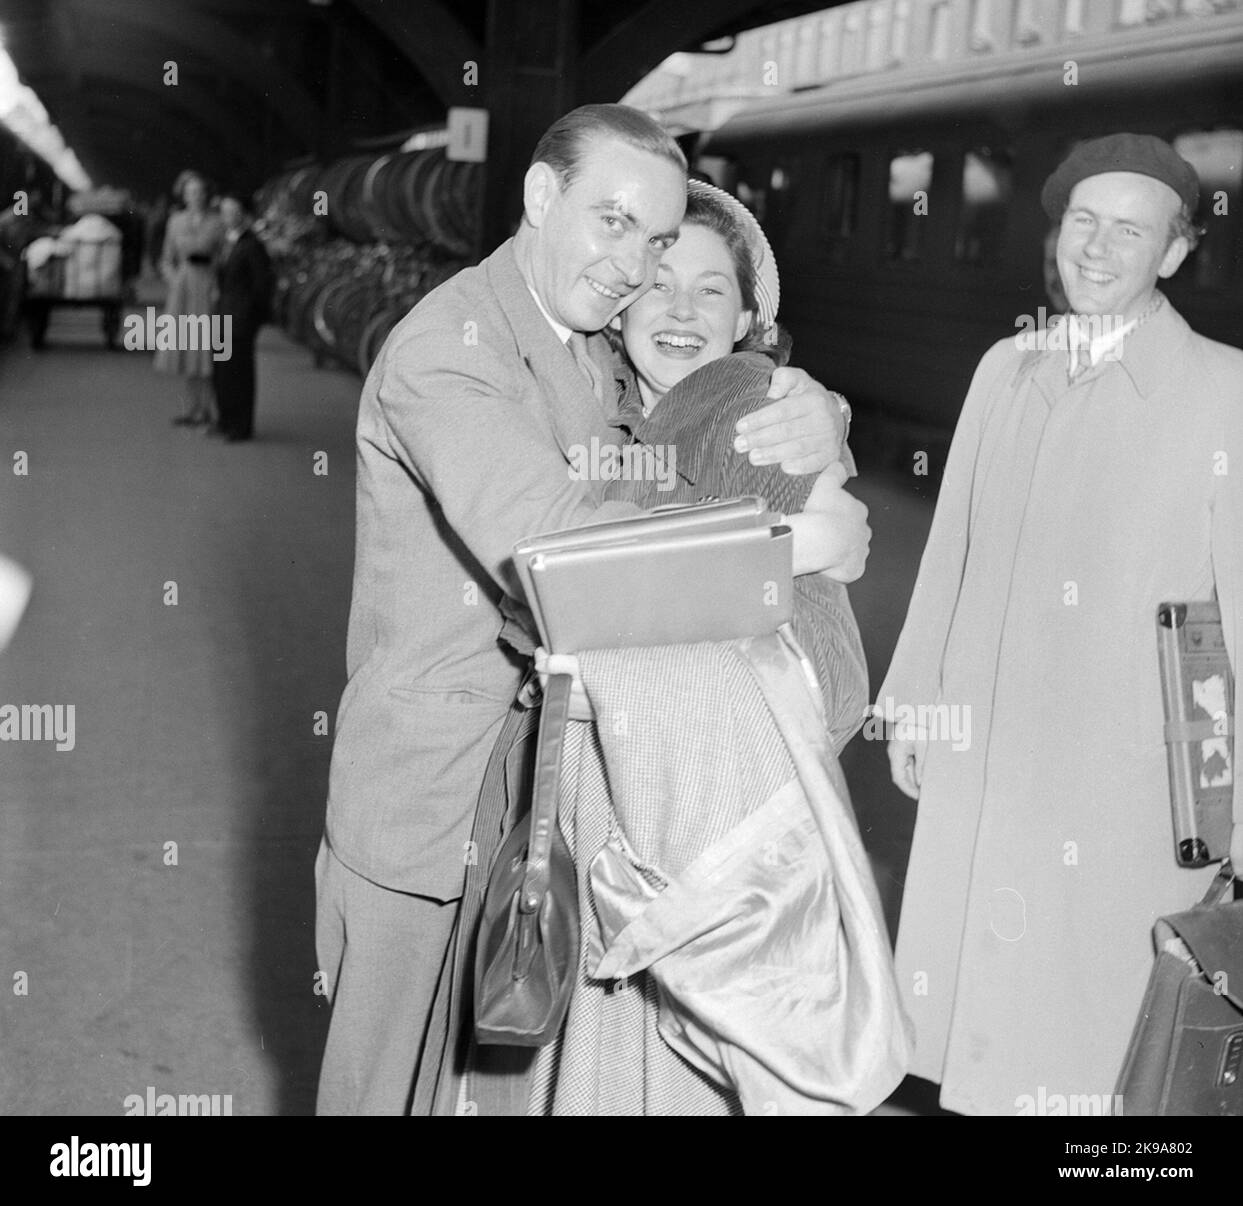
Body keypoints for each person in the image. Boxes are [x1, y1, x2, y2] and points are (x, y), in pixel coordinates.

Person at [315, 103, 860, 1116]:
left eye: (655, 240)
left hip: (542, 805)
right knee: (379, 1091)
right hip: (431, 807)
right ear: (537, 195)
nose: (635, 267)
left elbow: (703, 395)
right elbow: (559, 538)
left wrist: (816, 410)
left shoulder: (586, 346)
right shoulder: (451, 349)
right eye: (611, 221)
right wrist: (789, 542)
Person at [439, 179, 904, 1116]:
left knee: (676, 1051)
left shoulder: (742, 400)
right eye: (658, 285)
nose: (682, 311)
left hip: (698, 807)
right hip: (631, 791)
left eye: (711, 291)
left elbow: (828, 619)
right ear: (618, 307)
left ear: (748, 320)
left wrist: (814, 479)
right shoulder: (620, 410)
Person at [879, 133, 1243, 1115]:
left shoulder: (1224, 391)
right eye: (1083, 220)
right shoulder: (1008, 367)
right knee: (984, 1028)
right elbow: (949, 547)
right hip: (993, 747)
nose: (1098, 246)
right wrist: (914, 700)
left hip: (1131, 782)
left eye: (1131, 228)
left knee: (1103, 1047)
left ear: (1172, 253)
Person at [155, 172, 225, 426]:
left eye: (200, 192)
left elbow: (223, 256)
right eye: (191, 192)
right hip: (183, 288)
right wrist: (173, 278)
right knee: (187, 349)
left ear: (207, 195)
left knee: (206, 348)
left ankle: (209, 408)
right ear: (184, 195)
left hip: (207, 286)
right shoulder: (175, 222)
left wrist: (218, 282)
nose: (196, 197)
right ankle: (191, 407)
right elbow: (165, 258)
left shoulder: (218, 223)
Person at [210, 192, 274, 443]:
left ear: (243, 215)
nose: (228, 217)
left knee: (239, 373)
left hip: (240, 319)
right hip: (223, 315)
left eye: (233, 212)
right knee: (223, 371)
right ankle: (225, 420)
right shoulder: (228, 242)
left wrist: (252, 317)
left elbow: (262, 284)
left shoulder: (252, 245)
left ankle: (241, 426)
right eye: (225, 212)